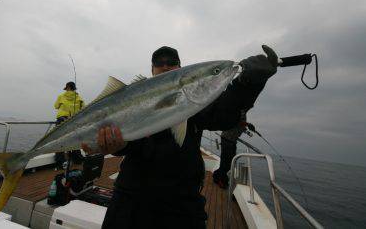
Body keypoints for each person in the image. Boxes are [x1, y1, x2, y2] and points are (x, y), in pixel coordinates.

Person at [83, 45, 277, 229]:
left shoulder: (196, 104)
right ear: (152, 70)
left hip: (181, 201)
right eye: (159, 63)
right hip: (131, 197)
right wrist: (116, 146)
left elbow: (223, 116)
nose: (165, 65)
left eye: (172, 62)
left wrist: (247, 84)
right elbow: (129, 145)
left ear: (180, 68)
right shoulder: (136, 97)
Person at [54, 81, 85, 168]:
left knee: (59, 140)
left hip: (62, 120)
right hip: (74, 120)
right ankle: (77, 159)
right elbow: (83, 109)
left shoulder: (61, 96)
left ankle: (60, 161)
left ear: (67, 87)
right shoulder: (79, 98)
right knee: (75, 140)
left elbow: (56, 106)